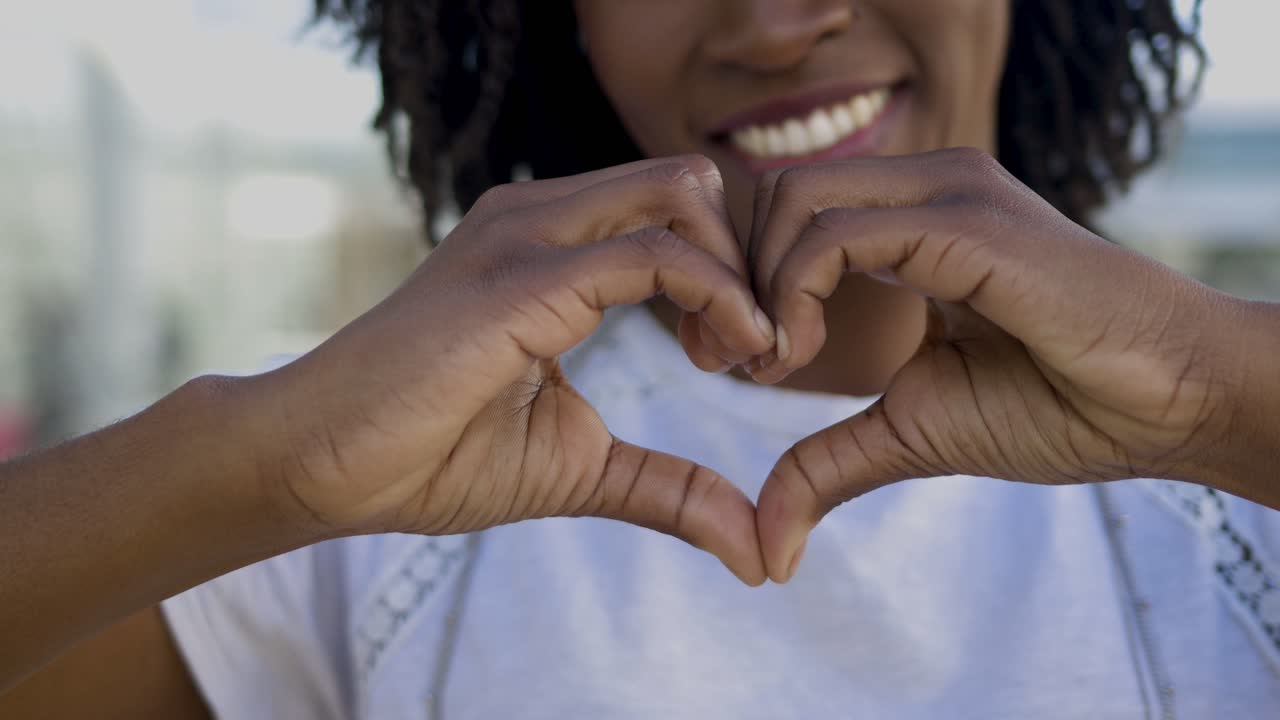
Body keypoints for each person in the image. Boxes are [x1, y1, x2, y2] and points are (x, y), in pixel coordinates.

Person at [3, 0, 1279, 717]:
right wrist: (275, 458)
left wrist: (1215, 392)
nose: (778, 23)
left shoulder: (1233, 450)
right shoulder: (361, 508)